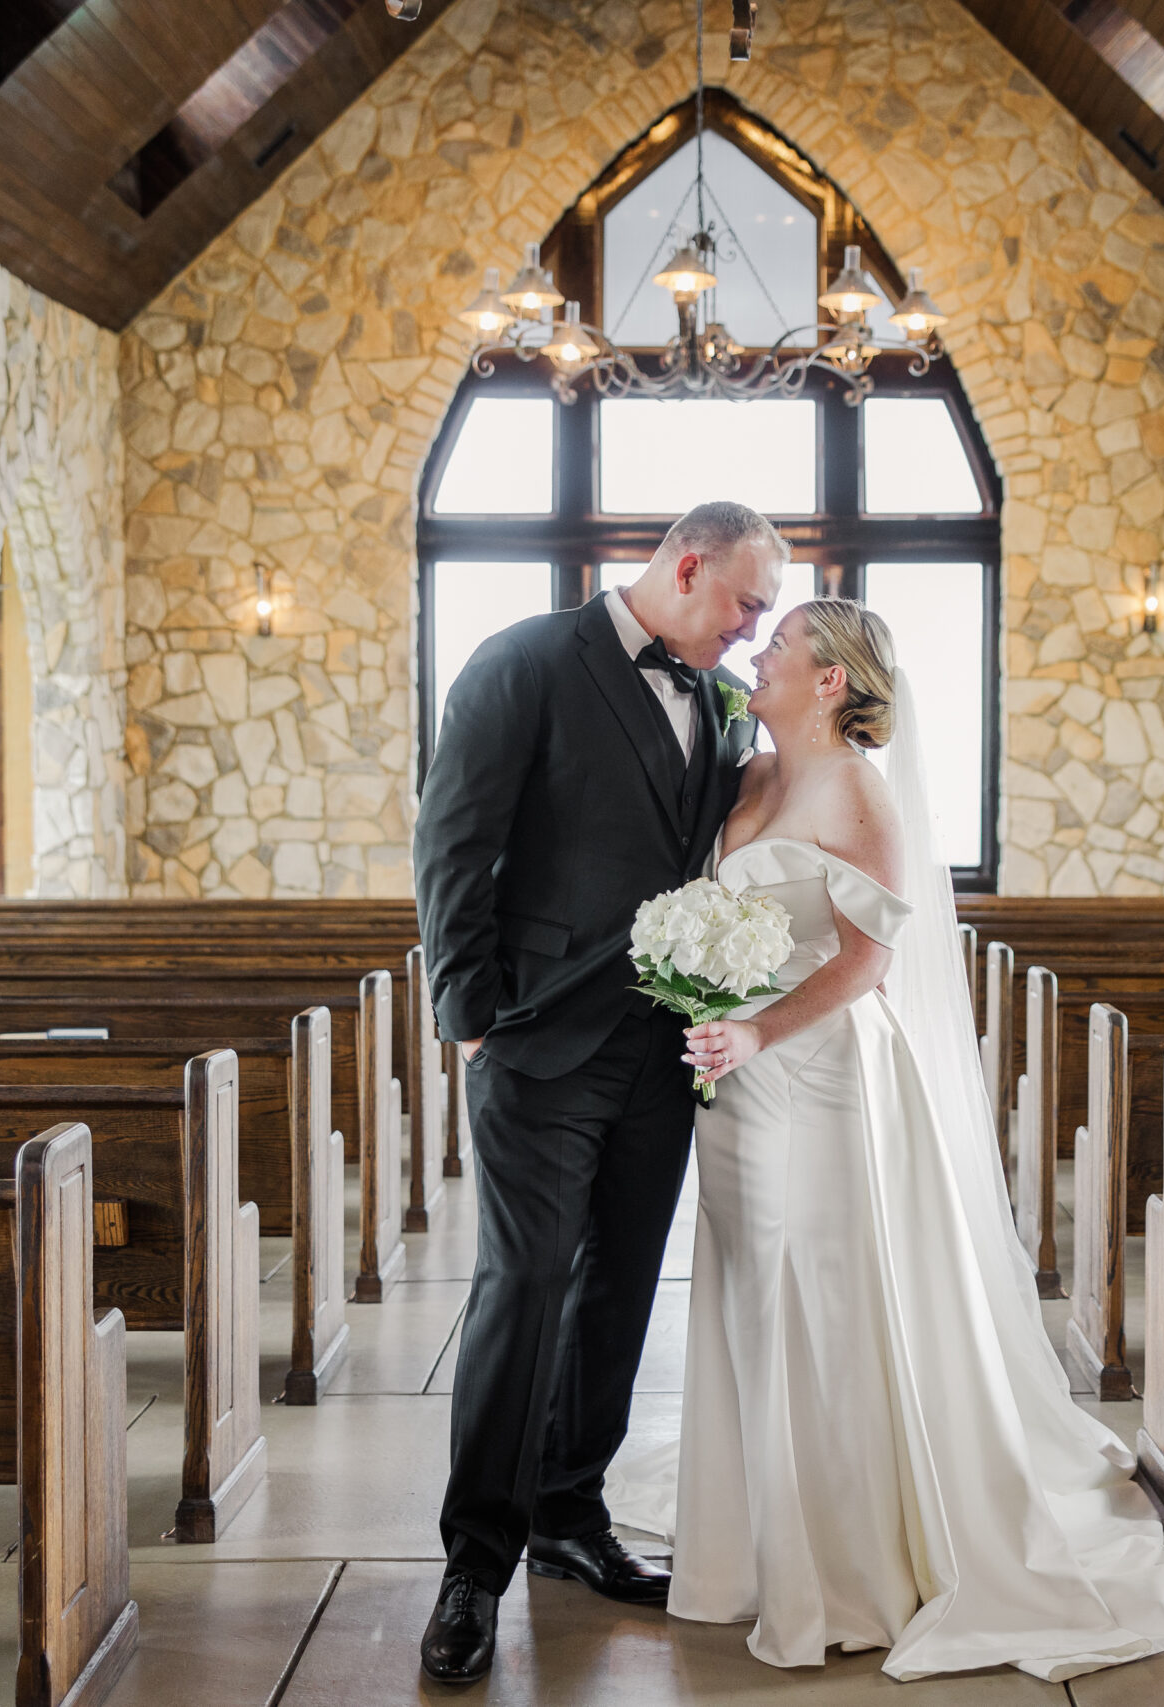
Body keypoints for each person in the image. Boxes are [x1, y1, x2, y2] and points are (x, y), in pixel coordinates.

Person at [606, 600, 1164, 1680]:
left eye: (780, 643)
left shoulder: (860, 795)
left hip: (822, 1069)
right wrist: (701, 996)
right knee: (752, 1287)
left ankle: (841, 1563)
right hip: (738, 1083)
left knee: (822, 1293)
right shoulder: (752, 778)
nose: (759, 652)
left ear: (833, 678)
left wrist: (757, 1026)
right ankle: (753, 1536)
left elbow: (864, 963)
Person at [411, 500, 784, 1686]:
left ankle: (572, 1515)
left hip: (664, 1051)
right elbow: (451, 844)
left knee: (621, 1283)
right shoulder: (524, 662)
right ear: (687, 567)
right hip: (536, 1041)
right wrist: (470, 1020)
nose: (751, 630)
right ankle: (475, 1561)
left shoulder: (722, 704)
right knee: (522, 1283)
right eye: (747, 603)